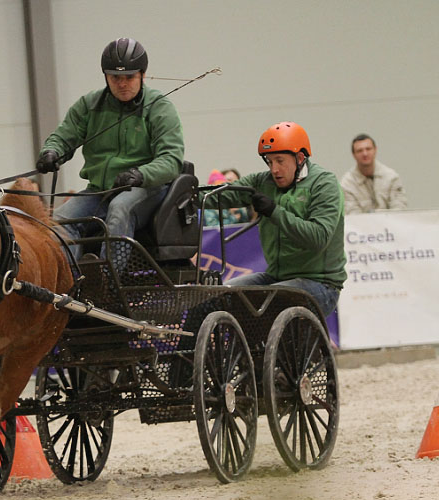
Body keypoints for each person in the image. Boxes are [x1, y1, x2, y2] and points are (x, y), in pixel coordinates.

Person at [35, 38, 184, 263]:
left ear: (143, 75)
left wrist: (139, 174)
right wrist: (51, 152)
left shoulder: (160, 108)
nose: (122, 84)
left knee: (120, 208)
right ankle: (71, 284)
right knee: (59, 221)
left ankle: (108, 280)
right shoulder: (88, 105)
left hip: (147, 188)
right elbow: (63, 137)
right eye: (115, 77)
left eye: (129, 77)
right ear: (106, 76)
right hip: (100, 190)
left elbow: (171, 160)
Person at [199, 121, 346, 316]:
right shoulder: (262, 182)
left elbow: (318, 238)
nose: (274, 169)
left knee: (269, 303)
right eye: (269, 161)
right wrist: (183, 193)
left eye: (280, 160)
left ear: (300, 158)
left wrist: (274, 211)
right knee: (213, 297)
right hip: (277, 279)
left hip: (319, 283)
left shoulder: (324, 184)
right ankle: (187, 347)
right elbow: (223, 195)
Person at [340, 134, 406, 214]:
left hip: (391, 224)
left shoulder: (391, 177)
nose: (365, 153)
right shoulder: (347, 184)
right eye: (359, 151)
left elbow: (399, 209)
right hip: (361, 225)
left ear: (375, 150)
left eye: (368, 149)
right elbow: (353, 216)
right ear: (353, 154)